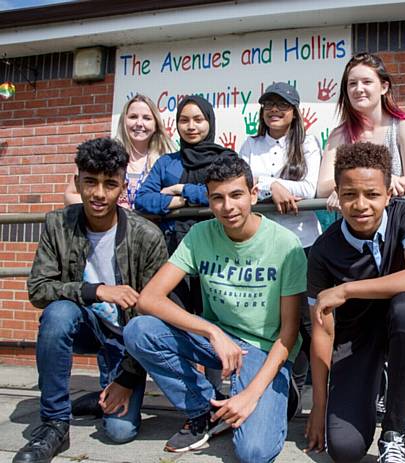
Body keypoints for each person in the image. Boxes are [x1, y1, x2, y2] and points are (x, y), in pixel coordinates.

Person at [124, 155, 307, 462]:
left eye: (236, 195)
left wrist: (251, 396)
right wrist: (210, 330)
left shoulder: (286, 245)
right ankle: (207, 409)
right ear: (208, 199)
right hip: (218, 340)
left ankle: (267, 393)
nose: (228, 207)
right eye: (217, 198)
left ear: (253, 193)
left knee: (254, 453)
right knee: (139, 330)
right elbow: (149, 298)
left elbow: (288, 335)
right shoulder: (200, 234)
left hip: (264, 351)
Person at [15, 138, 167, 463]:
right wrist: (95, 291)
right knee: (57, 315)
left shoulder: (147, 236)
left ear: (123, 186)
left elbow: (156, 318)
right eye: (90, 182)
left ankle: (100, 394)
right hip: (84, 324)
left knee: (119, 431)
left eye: (110, 184)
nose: (99, 193)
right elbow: (38, 289)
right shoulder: (58, 224)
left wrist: (127, 379)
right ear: (77, 182)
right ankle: (55, 423)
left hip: (128, 340)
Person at [305, 142, 405, 463]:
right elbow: (322, 332)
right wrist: (319, 407)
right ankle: (375, 381)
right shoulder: (324, 250)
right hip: (355, 340)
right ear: (337, 194)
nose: (361, 205)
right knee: (345, 450)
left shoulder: (404, 214)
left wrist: (347, 290)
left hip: (399, 324)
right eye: (349, 194)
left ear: (388, 194)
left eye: (372, 194)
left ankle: (394, 434)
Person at [239, 81, 321, 415]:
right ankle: (283, 389)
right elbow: (243, 186)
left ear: (294, 111)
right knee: (275, 320)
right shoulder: (250, 143)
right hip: (263, 244)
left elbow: (310, 186)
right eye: (269, 104)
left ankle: (312, 391)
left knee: (306, 321)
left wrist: (271, 184)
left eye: (282, 105)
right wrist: (272, 187)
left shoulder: (309, 142)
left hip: (303, 244)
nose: (275, 110)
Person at [134, 95, 235, 314]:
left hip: (218, 249)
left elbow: (222, 192)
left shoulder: (225, 159)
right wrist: (178, 201)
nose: (191, 127)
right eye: (184, 120)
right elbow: (142, 199)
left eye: (198, 120)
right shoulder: (167, 162)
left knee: (217, 315)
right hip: (175, 251)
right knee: (179, 313)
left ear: (209, 121)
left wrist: (181, 189)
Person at [316, 52, 405, 210]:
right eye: (352, 83)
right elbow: (322, 188)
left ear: (384, 87)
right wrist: (346, 185)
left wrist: (381, 180)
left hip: (400, 224)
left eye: (367, 82)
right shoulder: (339, 135)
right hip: (355, 226)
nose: (359, 89)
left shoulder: (403, 126)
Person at [63, 94, 175, 208]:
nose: (139, 123)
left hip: (150, 225)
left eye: (146, 118)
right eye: (133, 117)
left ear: (156, 124)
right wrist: (111, 210)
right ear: (123, 121)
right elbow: (70, 196)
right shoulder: (104, 153)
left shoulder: (166, 162)